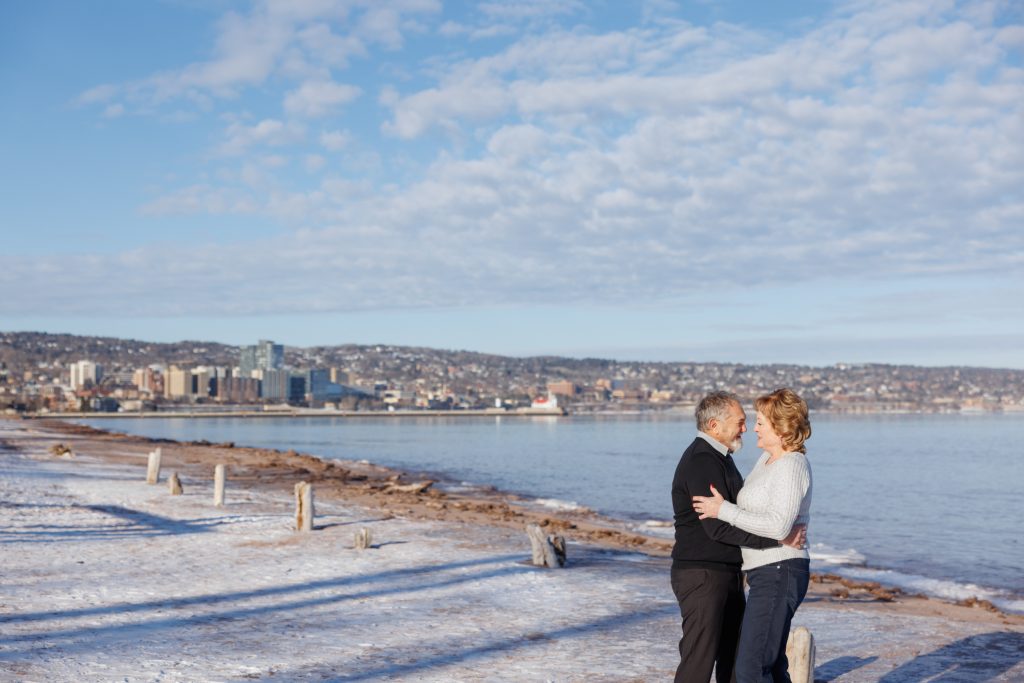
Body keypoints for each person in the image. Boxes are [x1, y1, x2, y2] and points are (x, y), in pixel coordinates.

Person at [671, 391, 805, 683]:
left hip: (728, 573)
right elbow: (716, 526)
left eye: (751, 422)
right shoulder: (702, 461)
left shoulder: (723, 458)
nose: (746, 428)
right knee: (699, 660)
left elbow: (735, 512)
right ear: (714, 426)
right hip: (703, 574)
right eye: (740, 422)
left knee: (738, 662)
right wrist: (777, 541)